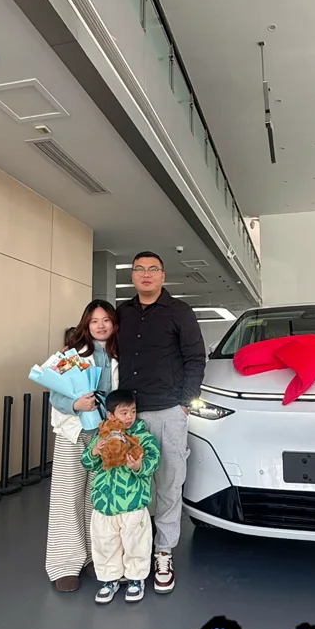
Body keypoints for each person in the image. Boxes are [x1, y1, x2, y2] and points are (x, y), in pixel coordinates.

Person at [116, 251, 206, 594]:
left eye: (153, 269)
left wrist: (185, 403)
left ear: (163, 276)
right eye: (139, 269)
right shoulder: (122, 313)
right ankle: (133, 553)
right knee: (131, 486)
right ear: (132, 276)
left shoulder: (180, 312)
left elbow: (195, 358)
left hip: (169, 411)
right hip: (129, 414)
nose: (146, 274)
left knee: (168, 484)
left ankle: (163, 552)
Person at [45, 300, 119, 593]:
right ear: (86, 324)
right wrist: (76, 404)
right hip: (73, 433)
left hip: (105, 435)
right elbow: (55, 394)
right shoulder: (71, 354)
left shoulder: (120, 354)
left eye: (106, 320)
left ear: (114, 323)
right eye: (94, 321)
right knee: (68, 496)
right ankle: (64, 564)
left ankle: (93, 556)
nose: (101, 326)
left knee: (96, 498)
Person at [81, 390, 160, 604]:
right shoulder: (102, 436)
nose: (130, 417)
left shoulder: (142, 437)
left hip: (133, 503)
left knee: (136, 543)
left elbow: (154, 459)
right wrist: (94, 451)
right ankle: (109, 579)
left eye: (133, 411)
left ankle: (136, 578)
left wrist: (139, 466)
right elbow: (87, 463)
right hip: (104, 504)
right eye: (124, 412)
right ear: (110, 415)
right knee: (105, 543)